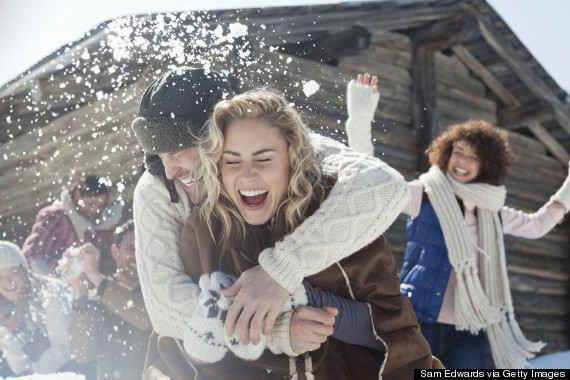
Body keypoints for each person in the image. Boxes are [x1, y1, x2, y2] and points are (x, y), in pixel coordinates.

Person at [131, 66, 410, 353]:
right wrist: (271, 329)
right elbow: (165, 307)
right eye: (159, 156)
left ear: (217, 137)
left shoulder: (282, 147)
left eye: (178, 153)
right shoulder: (156, 191)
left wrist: (279, 270)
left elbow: (386, 186)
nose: (169, 170)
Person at [176, 87, 431, 379]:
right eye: (232, 160)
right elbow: (182, 353)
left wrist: (296, 293)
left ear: (292, 158)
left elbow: (395, 331)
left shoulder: (337, 213)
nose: (247, 175)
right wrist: (271, 333)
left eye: (263, 159)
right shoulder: (205, 230)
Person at [345, 78, 570, 369]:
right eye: (458, 152)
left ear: (486, 165)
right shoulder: (423, 196)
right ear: (446, 152)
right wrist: (360, 121)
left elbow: (539, 224)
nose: (461, 161)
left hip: (470, 327)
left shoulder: (493, 212)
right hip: (418, 319)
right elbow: (375, 183)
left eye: (473, 157)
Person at [60, 219, 152, 380]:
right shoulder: (97, 296)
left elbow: (146, 319)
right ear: (116, 251)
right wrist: (79, 291)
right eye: (130, 247)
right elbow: (83, 354)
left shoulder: (155, 291)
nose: (137, 254)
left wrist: (95, 276)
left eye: (143, 248)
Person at [0, 241, 79, 376]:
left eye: (13, 273)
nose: (8, 282)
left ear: (24, 269)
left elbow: (66, 348)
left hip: (73, 368)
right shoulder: (4, 307)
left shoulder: (51, 293)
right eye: (0, 277)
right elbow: (17, 361)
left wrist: (32, 374)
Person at [21, 174, 123, 277]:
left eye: (100, 206)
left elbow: (126, 234)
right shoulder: (55, 216)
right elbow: (31, 252)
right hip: (52, 281)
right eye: (91, 204)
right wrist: (50, 283)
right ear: (77, 195)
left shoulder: (102, 223)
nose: (96, 210)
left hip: (86, 287)